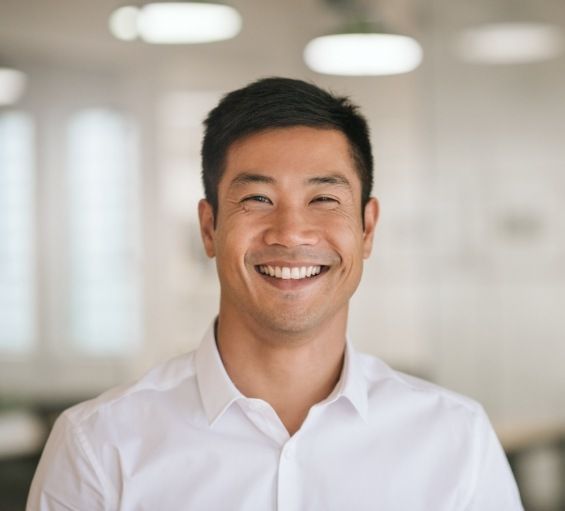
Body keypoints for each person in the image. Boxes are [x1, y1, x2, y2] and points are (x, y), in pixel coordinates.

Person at [27, 77, 523, 510]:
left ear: (367, 229)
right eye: (258, 199)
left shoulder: (456, 437)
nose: (290, 232)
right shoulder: (99, 444)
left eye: (324, 199)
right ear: (209, 227)